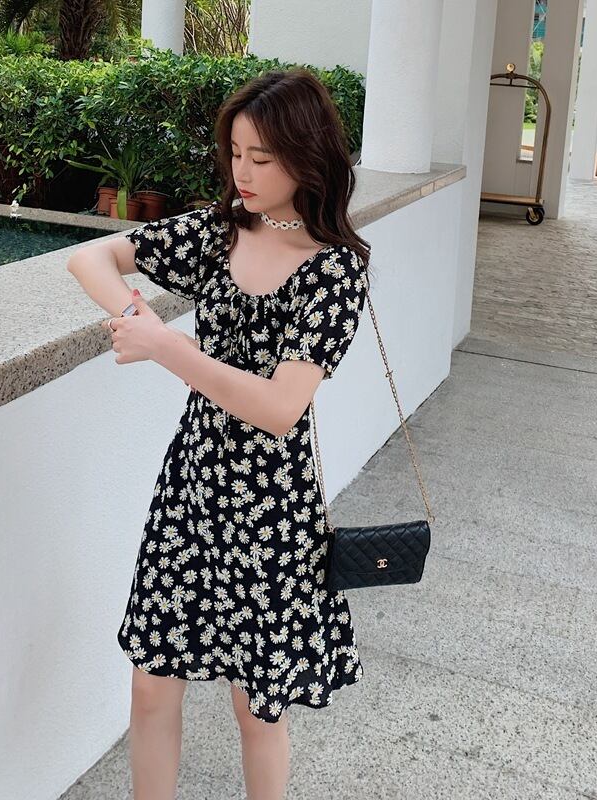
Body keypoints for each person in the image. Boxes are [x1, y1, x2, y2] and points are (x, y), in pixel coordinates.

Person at [67, 66, 372, 800]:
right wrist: (136, 316)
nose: (243, 173)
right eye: (235, 153)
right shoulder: (218, 232)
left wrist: (168, 348)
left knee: (256, 707)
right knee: (150, 684)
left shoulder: (334, 272)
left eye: (261, 158)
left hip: (273, 507)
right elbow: (89, 257)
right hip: (194, 485)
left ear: (307, 156)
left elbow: (280, 408)